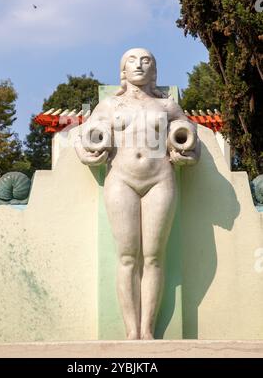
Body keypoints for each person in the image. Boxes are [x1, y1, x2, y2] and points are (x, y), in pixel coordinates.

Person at [75, 48, 200, 340]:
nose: (139, 65)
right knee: (128, 256)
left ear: (154, 70)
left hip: (159, 179)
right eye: (132, 60)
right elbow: (82, 139)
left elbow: (192, 144)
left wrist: (185, 154)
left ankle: (148, 329)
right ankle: (132, 330)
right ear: (123, 70)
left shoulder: (167, 106)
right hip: (121, 179)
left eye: (146, 61)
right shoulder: (108, 106)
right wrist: (88, 154)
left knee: (155, 256)